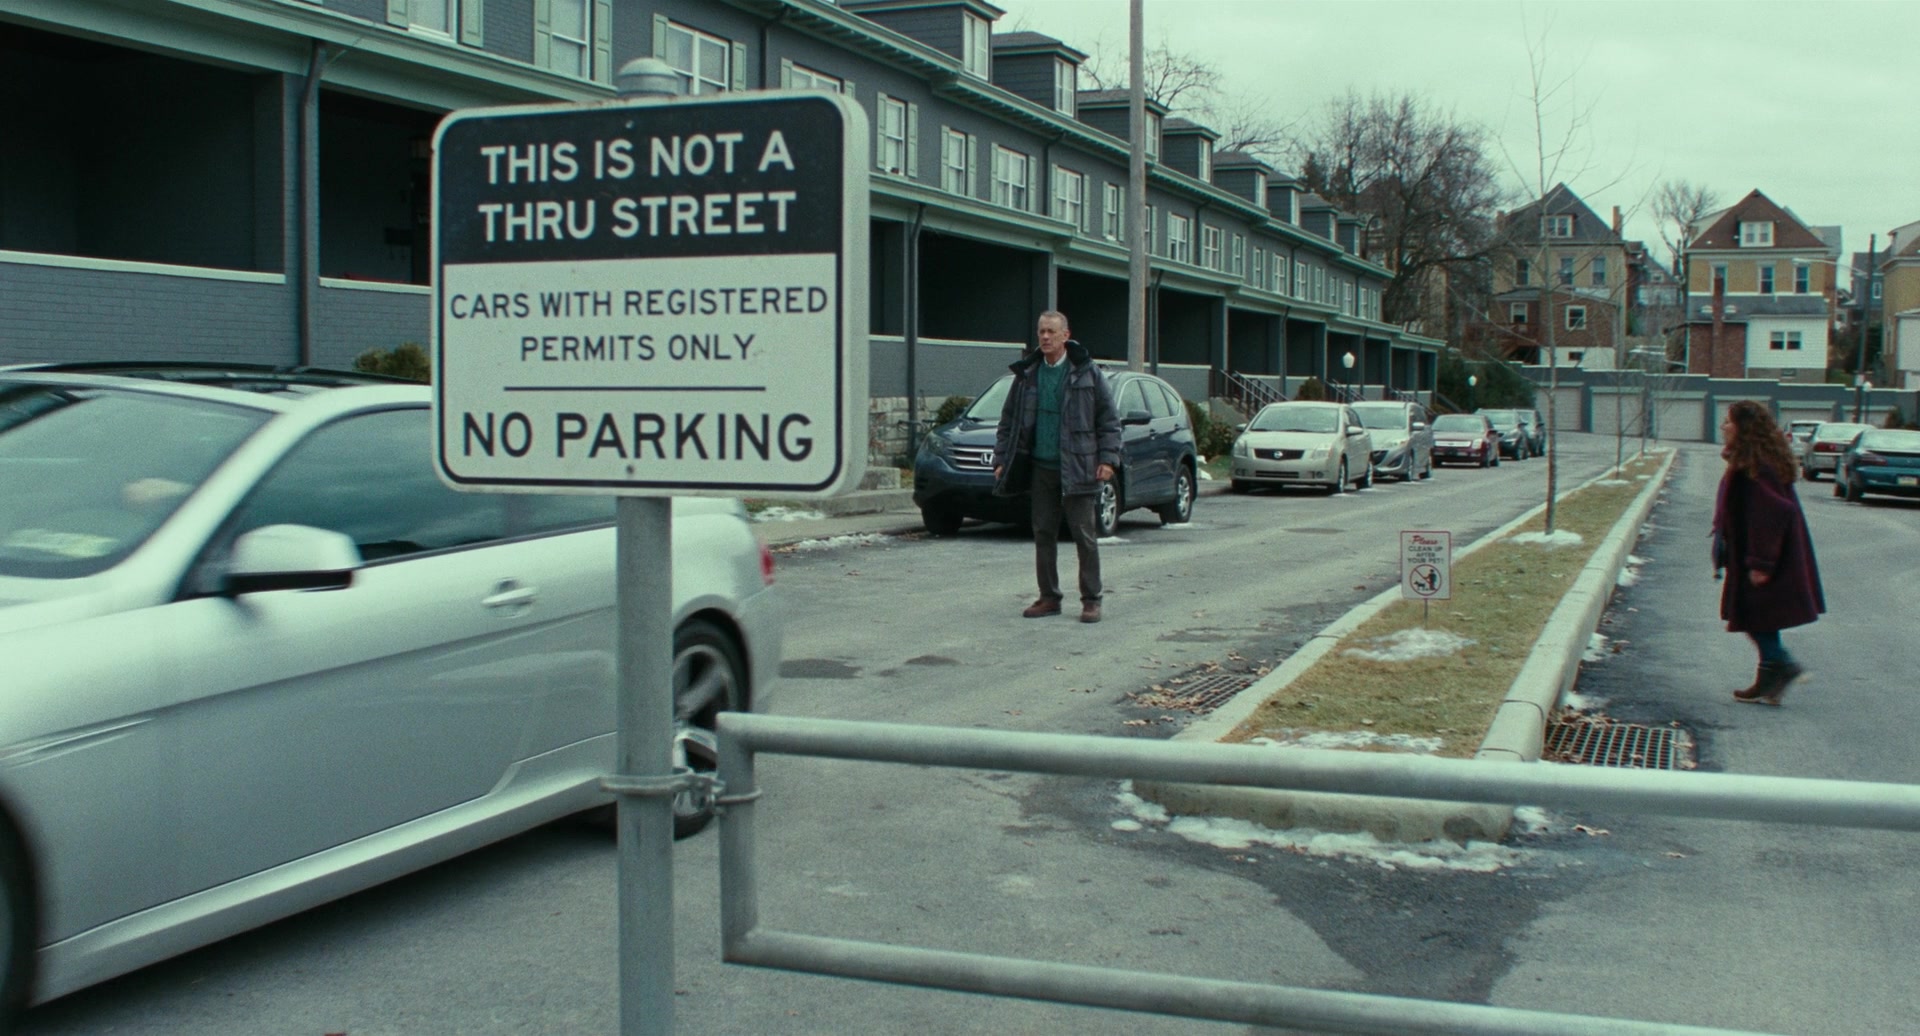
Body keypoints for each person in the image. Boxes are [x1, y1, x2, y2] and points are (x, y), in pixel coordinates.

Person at [992, 310, 1121, 623]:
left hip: (1078, 466)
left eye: (1051, 332)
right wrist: (1000, 458)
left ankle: (1091, 600)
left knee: (1084, 536)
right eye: (1041, 332)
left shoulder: (1087, 373)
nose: (1045, 338)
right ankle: (1049, 597)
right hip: (1041, 467)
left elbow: (1108, 420)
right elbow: (1008, 420)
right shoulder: (1028, 374)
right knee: (1043, 533)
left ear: (1066, 335)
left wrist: (1108, 459)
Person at [1712, 400, 1825, 705]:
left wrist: (1760, 562)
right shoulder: (1753, 460)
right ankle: (1768, 678)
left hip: (1764, 556)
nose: (1723, 427)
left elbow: (1771, 513)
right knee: (1761, 617)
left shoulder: (1758, 466)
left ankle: (1782, 665)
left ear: (1744, 428)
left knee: (1753, 615)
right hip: (1758, 554)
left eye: (1728, 422)